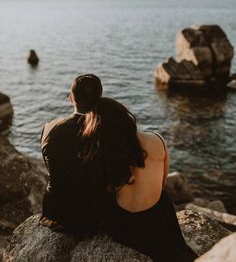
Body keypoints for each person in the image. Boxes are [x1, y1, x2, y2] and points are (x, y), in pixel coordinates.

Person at [40, 74, 197, 262]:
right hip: (92, 215)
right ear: (100, 97)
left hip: (55, 210)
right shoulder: (104, 136)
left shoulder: (49, 127)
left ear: (71, 98)